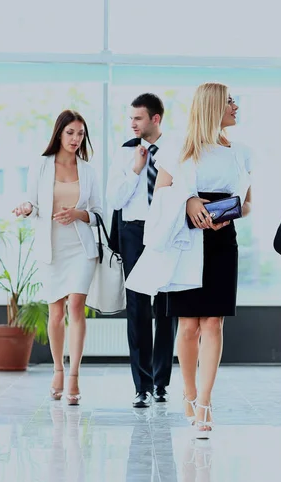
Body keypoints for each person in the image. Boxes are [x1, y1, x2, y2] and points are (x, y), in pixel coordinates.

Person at [149, 82, 253, 438]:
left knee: (214, 324)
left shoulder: (240, 152)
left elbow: (249, 202)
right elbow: (160, 195)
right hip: (186, 237)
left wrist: (230, 214)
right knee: (188, 325)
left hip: (222, 238)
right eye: (230, 101)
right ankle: (189, 392)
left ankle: (206, 400)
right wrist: (190, 202)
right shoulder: (180, 148)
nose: (235, 107)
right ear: (212, 106)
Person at [12, 109, 103, 406]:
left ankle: (74, 376)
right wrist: (26, 208)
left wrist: (77, 213)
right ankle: (58, 370)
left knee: (76, 306)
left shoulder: (88, 170)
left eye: (80, 134)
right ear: (59, 134)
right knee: (55, 313)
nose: (76, 139)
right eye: (71, 133)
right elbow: (34, 204)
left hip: (80, 247)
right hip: (50, 248)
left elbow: (99, 213)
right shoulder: (41, 165)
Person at [107, 93, 177, 408]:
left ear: (155, 119)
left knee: (165, 307)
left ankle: (161, 383)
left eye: (138, 118)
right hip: (133, 232)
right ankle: (142, 386)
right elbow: (115, 201)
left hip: (164, 231)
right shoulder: (123, 154)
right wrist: (136, 169)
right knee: (137, 307)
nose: (132, 124)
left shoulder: (174, 152)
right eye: (130, 118)